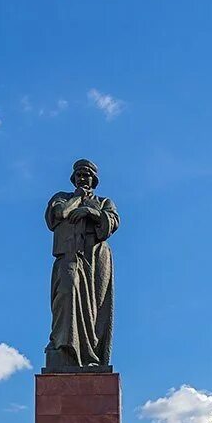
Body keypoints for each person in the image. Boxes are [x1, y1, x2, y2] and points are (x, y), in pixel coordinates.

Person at [44, 159, 119, 370]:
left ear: (94, 180)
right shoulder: (61, 198)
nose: (82, 178)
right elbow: (60, 214)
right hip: (68, 255)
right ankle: (62, 345)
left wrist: (90, 212)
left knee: (95, 308)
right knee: (67, 292)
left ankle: (91, 355)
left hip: (95, 257)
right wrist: (77, 200)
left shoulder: (104, 202)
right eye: (78, 175)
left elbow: (111, 223)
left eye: (86, 175)